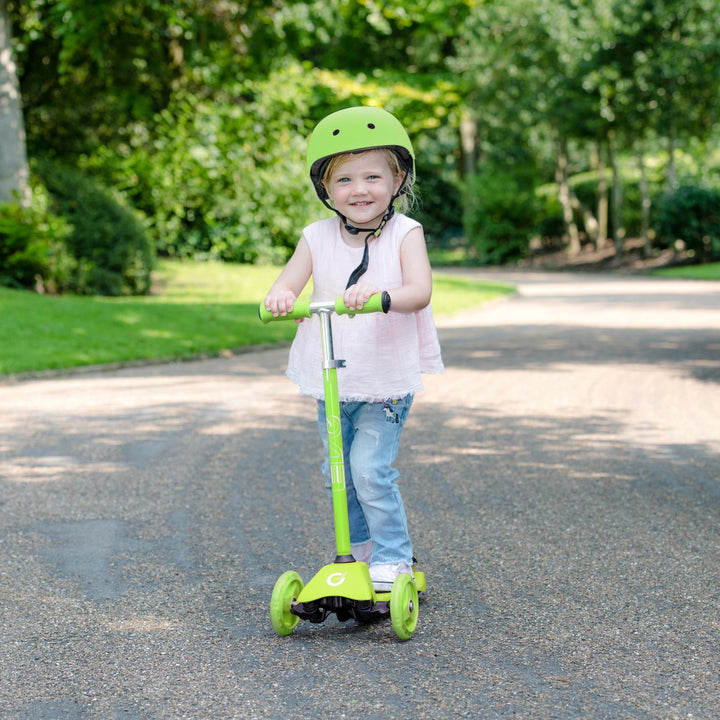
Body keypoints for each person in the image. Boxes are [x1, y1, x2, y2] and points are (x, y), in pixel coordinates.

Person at [263, 106, 444, 592]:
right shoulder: (315, 236)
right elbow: (286, 284)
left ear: (397, 177)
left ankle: (394, 559)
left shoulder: (406, 233)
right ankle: (361, 555)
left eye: (371, 175)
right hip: (333, 377)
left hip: (384, 377)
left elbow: (419, 291)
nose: (358, 189)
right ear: (326, 188)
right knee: (336, 475)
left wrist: (383, 298)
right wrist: (280, 298)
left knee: (370, 471)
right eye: (343, 179)